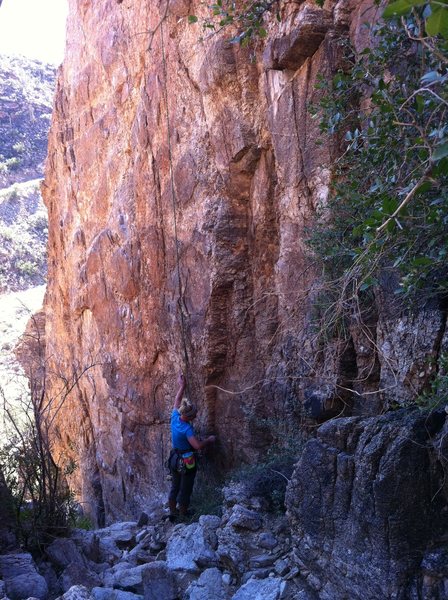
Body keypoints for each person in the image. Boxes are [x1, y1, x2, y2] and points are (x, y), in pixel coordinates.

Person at [167, 373, 216, 521]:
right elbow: (197, 446)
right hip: (186, 460)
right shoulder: (187, 429)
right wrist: (209, 440)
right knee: (185, 488)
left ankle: (172, 512)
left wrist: (182, 386)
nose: (195, 417)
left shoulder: (175, 416)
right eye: (194, 415)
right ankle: (183, 514)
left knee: (175, 486)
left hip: (174, 459)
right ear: (188, 417)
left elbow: (177, 400)